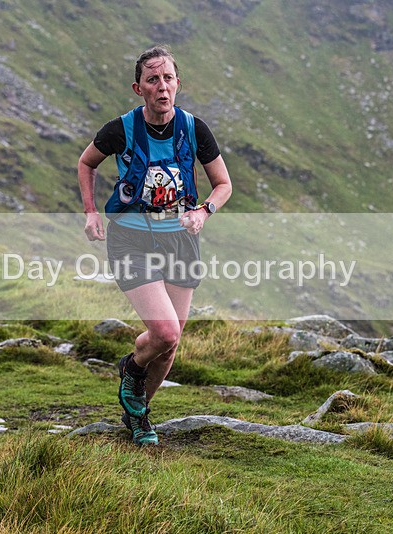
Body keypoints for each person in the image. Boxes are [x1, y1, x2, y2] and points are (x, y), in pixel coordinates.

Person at [77, 45, 233, 445]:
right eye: (153, 79)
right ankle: (131, 368)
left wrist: (204, 211)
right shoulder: (120, 129)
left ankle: (137, 414)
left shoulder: (195, 129)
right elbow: (86, 163)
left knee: (170, 344)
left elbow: (223, 184)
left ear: (178, 83)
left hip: (180, 239)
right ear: (138, 88)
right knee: (163, 332)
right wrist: (91, 211)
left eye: (168, 78)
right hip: (131, 237)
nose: (161, 87)